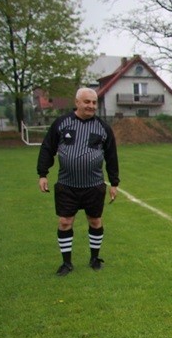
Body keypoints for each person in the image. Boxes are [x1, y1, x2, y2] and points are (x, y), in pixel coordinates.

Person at [37, 87, 120, 276]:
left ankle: (94, 258)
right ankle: (66, 263)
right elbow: (47, 148)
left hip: (94, 185)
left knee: (95, 220)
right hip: (67, 185)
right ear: (77, 103)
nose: (91, 106)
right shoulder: (61, 124)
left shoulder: (103, 128)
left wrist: (114, 183)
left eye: (94, 103)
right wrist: (42, 174)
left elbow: (111, 156)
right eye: (87, 102)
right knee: (65, 222)